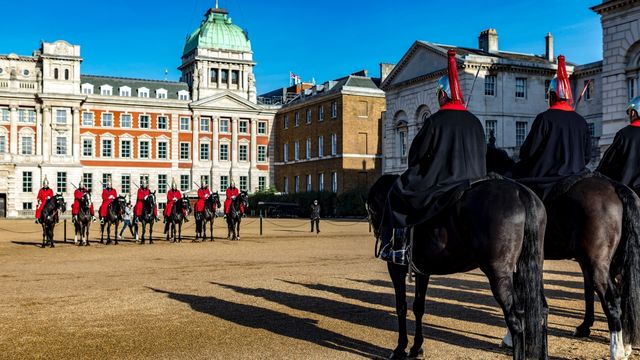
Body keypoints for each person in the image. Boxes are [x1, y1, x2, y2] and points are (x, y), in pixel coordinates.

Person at [378, 49, 487, 262]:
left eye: (438, 94)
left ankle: (397, 247)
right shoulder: (475, 122)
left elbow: (416, 156)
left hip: (443, 183)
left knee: (397, 192)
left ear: (442, 94)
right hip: (476, 181)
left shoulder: (435, 121)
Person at [511, 55, 591, 200]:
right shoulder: (581, 121)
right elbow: (587, 156)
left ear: (552, 96)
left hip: (547, 180)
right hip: (577, 177)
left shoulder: (544, 118)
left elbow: (528, 153)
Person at [597, 96, 640, 192]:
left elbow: (608, 161)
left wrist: (597, 172)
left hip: (627, 189)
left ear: (633, 112)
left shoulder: (624, 134)